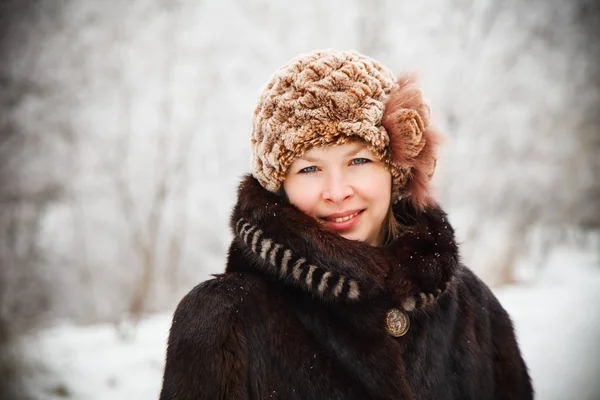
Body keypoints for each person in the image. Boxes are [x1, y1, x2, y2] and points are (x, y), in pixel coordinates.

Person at [159, 49, 533, 399]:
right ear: (280, 187)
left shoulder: (470, 302)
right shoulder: (224, 317)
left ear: (395, 170)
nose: (337, 192)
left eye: (358, 161)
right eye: (309, 168)